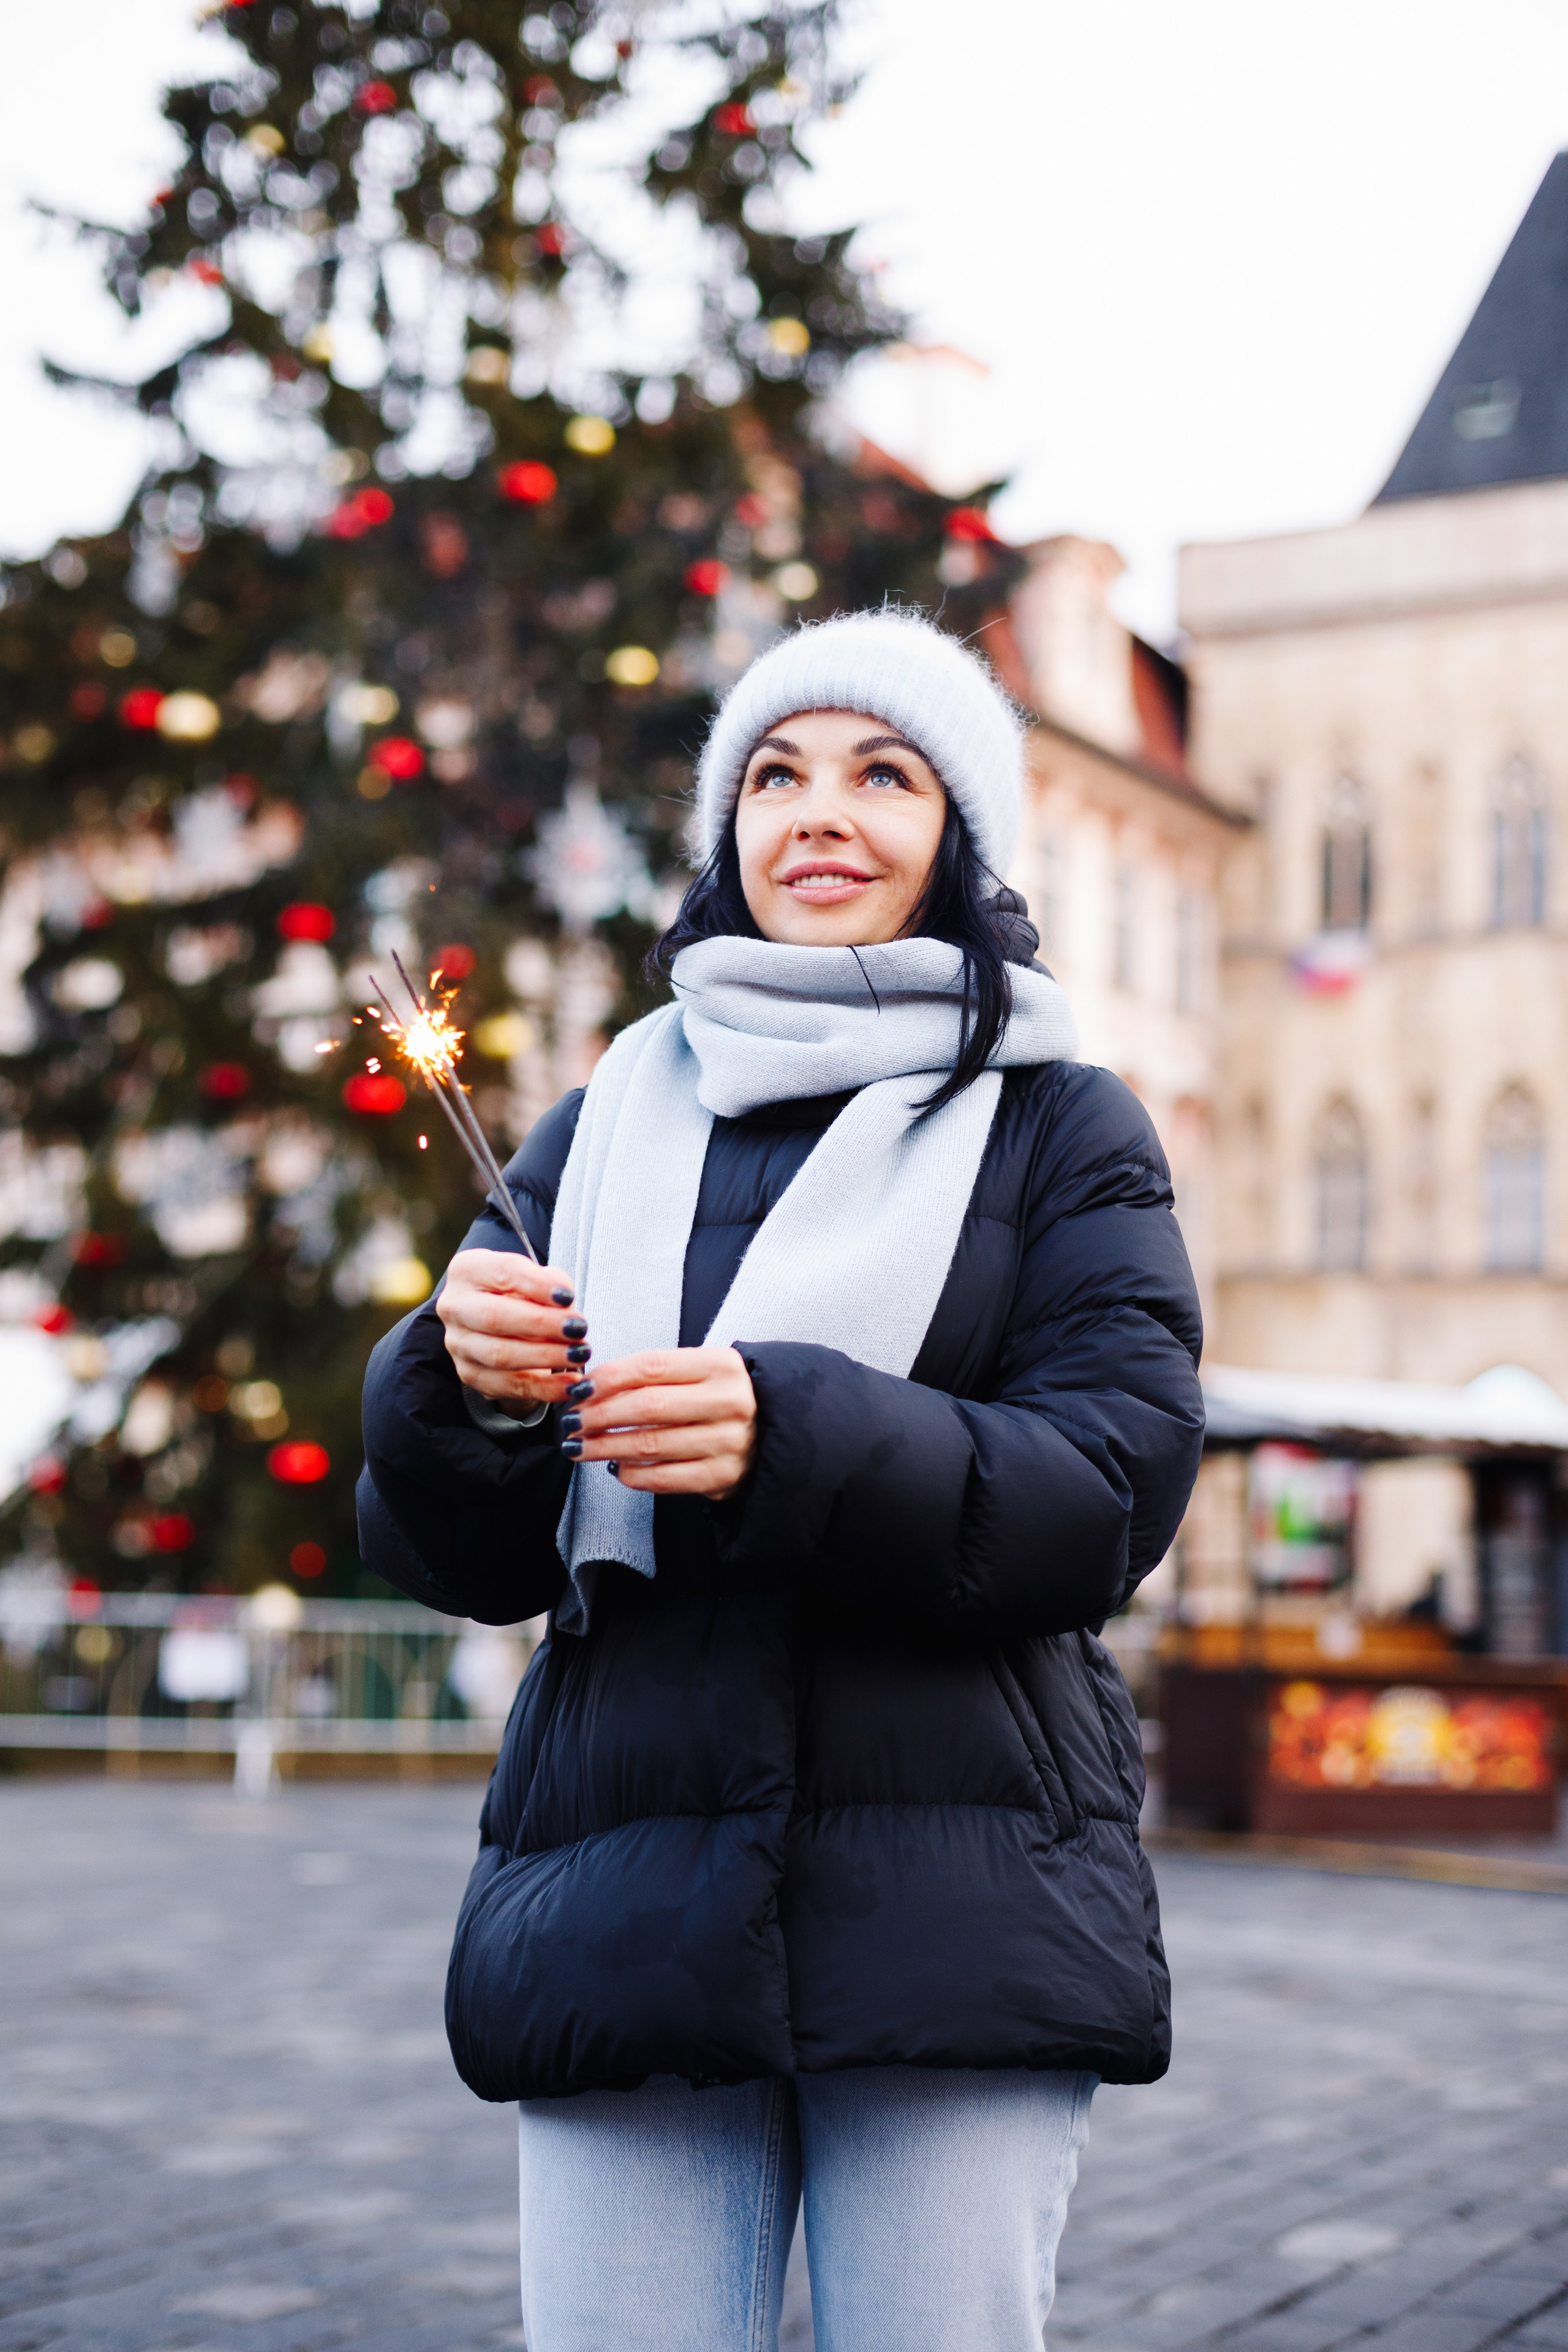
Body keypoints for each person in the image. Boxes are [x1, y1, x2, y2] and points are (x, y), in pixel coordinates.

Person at [358, 608, 1204, 2352]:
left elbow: (1112, 1489)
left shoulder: (1060, 1119)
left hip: (958, 1894)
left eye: (882, 773)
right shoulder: (611, 1113)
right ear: (726, 832)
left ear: (957, 837)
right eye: (773, 774)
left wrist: (793, 1438)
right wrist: (458, 1387)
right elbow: (473, 1550)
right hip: (628, 1878)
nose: (819, 811)